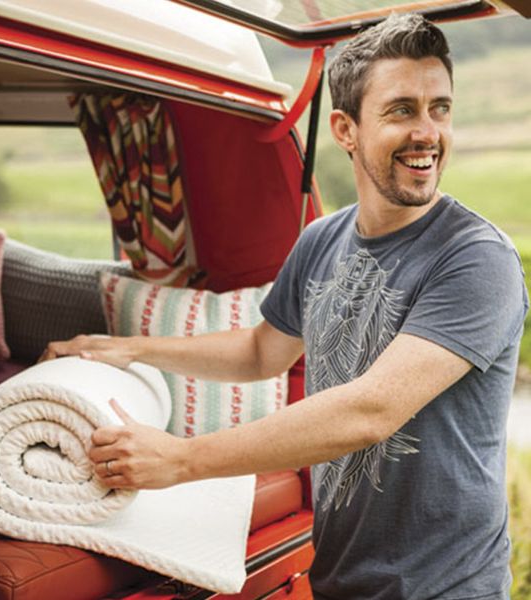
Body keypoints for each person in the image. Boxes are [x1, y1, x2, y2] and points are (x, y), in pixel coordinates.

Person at [42, 13, 528, 599]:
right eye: (402, 110)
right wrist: (131, 349)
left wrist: (182, 459)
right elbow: (260, 352)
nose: (428, 132)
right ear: (346, 130)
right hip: (341, 580)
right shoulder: (321, 239)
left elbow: (370, 411)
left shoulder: (476, 258)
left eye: (440, 108)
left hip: (445, 589)